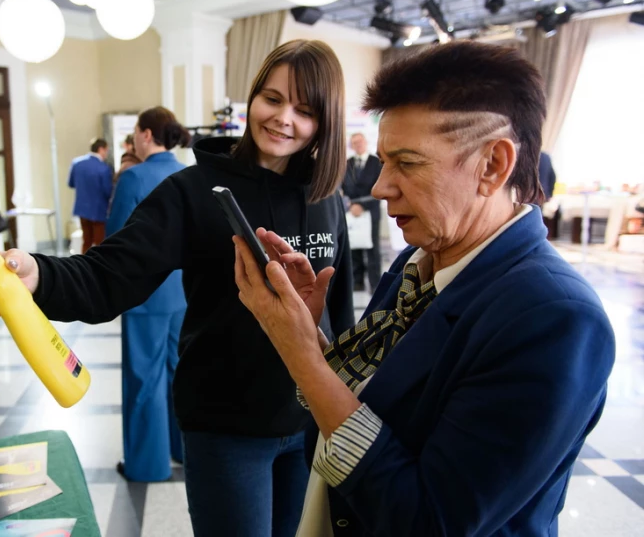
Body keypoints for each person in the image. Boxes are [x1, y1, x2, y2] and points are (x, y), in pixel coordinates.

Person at [0, 40, 355, 537]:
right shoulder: (195, 192)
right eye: (272, 99)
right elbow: (109, 276)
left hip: (309, 422)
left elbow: (340, 316)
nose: (283, 119)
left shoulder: (326, 198)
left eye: (305, 110)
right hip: (226, 426)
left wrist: (344, 408)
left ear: (326, 122)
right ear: (253, 99)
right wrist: (34, 273)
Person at [233, 41, 615, 537]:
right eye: (383, 161)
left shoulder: (554, 318)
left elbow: (431, 520)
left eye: (407, 163)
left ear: (493, 165)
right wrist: (311, 337)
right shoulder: (422, 261)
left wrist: (302, 358)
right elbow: (375, 403)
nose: (380, 187)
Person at [106, 107, 189, 482]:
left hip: (145, 294)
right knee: (179, 374)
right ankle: (183, 450)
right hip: (185, 291)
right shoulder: (188, 174)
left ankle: (147, 465)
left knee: (144, 379)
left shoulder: (133, 177)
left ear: (145, 135)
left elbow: (115, 241)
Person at [342, 133, 382, 291]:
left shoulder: (377, 162)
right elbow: (345, 187)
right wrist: (352, 206)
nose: (357, 145)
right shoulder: (347, 163)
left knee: (373, 249)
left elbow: (379, 188)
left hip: (371, 211)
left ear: (365, 142)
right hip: (352, 212)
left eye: (360, 141)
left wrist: (362, 206)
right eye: (354, 143)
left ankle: (375, 284)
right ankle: (357, 282)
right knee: (354, 247)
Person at [68, 138, 114, 254]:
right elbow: (107, 191)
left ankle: (84, 267)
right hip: (99, 210)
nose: (106, 154)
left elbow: (71, 183)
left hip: (82, 208)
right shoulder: (103, 168)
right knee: (99, 243)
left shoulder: (77, 163)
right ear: (101, 149)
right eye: (106, 150)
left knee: (86, 241)